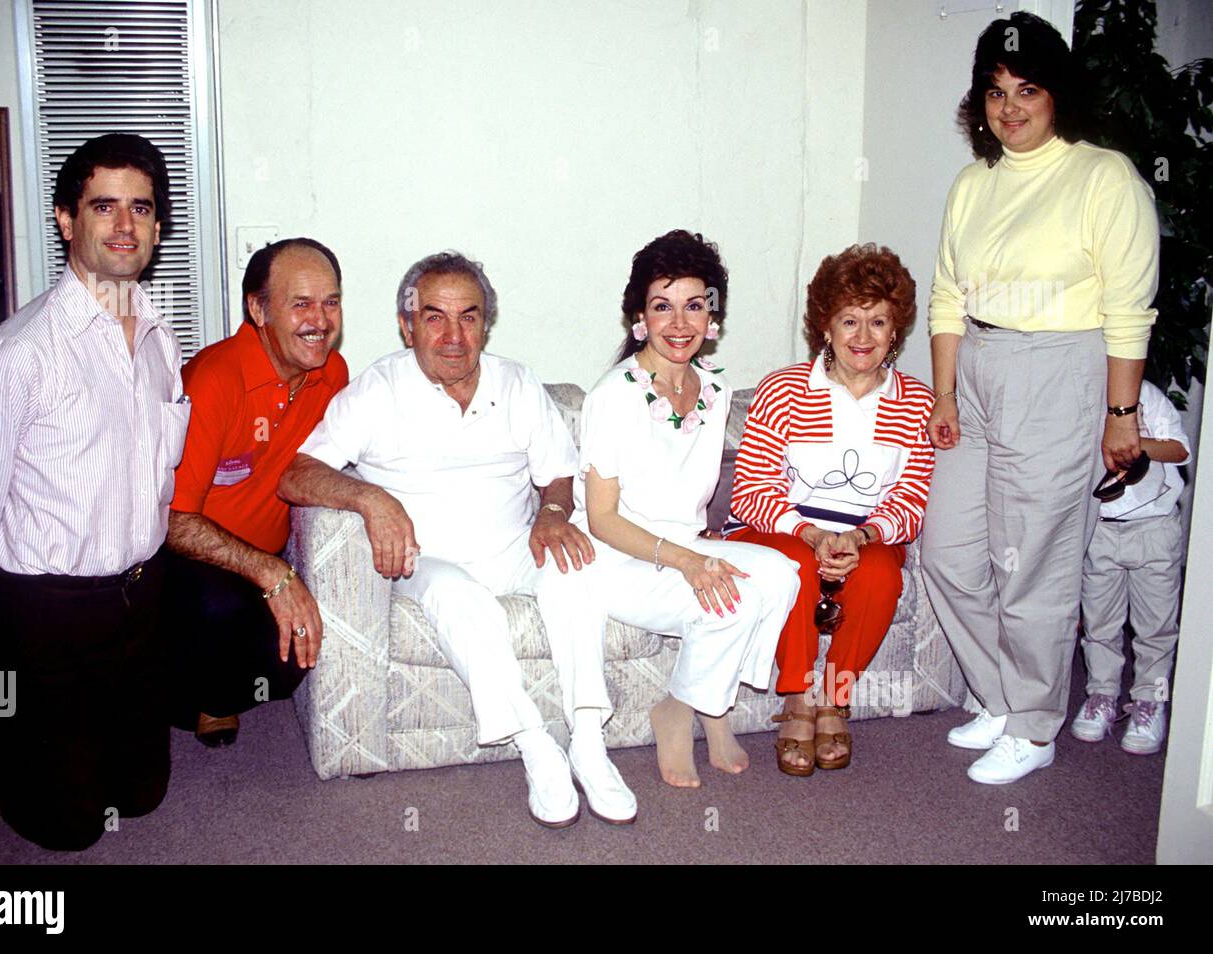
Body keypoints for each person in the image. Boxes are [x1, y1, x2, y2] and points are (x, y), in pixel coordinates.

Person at [278, 251, 640, 827]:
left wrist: (551, 511)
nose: (453, 335)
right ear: (407, 324)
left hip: (513, 546)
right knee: (461, 599)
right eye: (434, 317)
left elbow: (558, 474)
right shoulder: (378, 389)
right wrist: (372, 498)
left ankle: (589, 740)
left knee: (578, 569)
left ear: (485, 325)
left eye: (468, 317)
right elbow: (296, 474)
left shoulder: (515, 382)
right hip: (429, 560)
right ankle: (535, 745)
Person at [921, 12, 1160, 784]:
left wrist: (1121, 416)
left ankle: (1034, 725)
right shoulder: (972, 182)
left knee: (1035, 566)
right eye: (995, 92)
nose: (1010, 108)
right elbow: (948, 295)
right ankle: (1001, 696)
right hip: (979, 364)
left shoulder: (1104, 177)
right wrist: (946, 391)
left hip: (1059, 370)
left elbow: (1130, 309)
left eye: (1028, 90)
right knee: (948, 551)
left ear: (1058, 95)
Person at [0, 133, 186, 850]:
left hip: (142, 599)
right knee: (68, 830)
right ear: (66, 220)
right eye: (103, 206)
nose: (125, 226)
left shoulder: (163, 340)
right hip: (50, 610)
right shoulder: (19, 353)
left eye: (141, 208)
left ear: (159, 227)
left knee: (142, 797)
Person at [534, 230, 801, 790]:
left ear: (713, 316)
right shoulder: (615, 395)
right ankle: (678, 711)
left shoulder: (714, 389)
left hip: (682, 543)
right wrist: (688, 563)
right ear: (639, 316)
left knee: (780, 576)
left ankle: (709, 703)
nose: (680, 324)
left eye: (694, 306)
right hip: (615, 557)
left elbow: (696, 502)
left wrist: (700, 553)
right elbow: (603, 520)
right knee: (728, 601)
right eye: (663, 307)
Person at [729, 244, 934, 776]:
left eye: (878, 322)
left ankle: (834, 698)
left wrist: (862, 538)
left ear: (896, 331)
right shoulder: (784, 390)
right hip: (780, 529)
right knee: (792, 566)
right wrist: (815, 535)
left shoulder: (916, 403)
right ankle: (798, 698)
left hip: (864, 537)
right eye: (849, 320)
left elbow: (911, 501)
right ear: (826, 325)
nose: (863, 337)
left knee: (882, 577)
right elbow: (750, 492)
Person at [165, 238, 348, 747]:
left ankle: (219, 680)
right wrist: (274, 574)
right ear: (258, 308)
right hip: (187, 563)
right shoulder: (213, 380)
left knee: (289, 665)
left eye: (330, 302)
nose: (320, 320)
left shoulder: (332, 374)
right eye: (301, 304)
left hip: (264, 558)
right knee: (219, 613)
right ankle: (200, 696)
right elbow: (173, 520)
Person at [1071, 380, 1191, 755]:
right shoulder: (1082, 394)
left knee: (1155, 625)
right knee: (1099, 623)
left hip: (1154, 528)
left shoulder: (1146, 396)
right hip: (1101, 529)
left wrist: (1131, 445)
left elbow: (1180, 448)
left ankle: (1150, 701)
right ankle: (1101, 695)